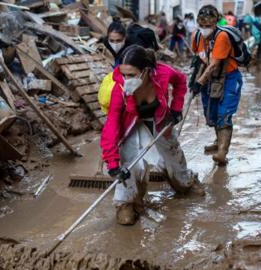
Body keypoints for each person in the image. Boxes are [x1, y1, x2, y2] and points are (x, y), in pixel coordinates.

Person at [100, 45, 204, 226]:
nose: (126, 79)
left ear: (146, 70)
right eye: (123, 74)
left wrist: (176, 108)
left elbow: (180, 81)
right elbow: (112, 124)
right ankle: (127, 203)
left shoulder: (163, 73)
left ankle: (185, 181)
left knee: (173, 158)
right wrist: (112, 162)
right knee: (130, 162)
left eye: (131, 75)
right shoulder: (119, 89)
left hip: (159, 121)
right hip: (131, 125)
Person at [191, 5, 243, 166]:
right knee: (212, 114)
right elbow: (199, 59)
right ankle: (218, 140)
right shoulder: (197, 37)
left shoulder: (222, 37)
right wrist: (194, 79)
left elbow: (214, 64)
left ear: (215, 24)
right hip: (210, 78)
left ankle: (222, 152)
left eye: (208, 26)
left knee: (224, 115)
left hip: (229, 78)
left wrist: (199, 82)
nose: (205, 29)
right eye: (202, 26)